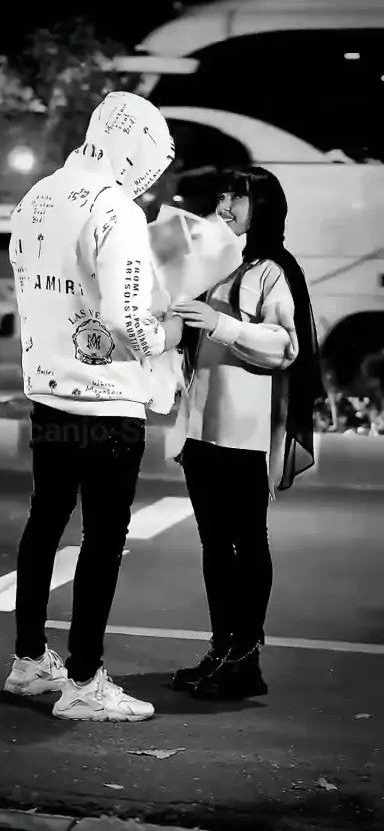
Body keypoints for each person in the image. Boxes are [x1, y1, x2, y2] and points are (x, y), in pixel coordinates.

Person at [3, 92, 183, 722]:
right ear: (134, 149)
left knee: (44, 522)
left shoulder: (38, 198)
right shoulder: (115, 208)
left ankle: (29, 661)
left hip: (49, 395)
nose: (150, 176)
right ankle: (84, 682)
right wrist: (169, 336)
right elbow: (126, 316)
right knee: (103, 540)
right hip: (107, 405)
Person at [169, 166, 323, 700]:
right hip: (200, 429)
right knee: (215, 545)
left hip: (245, 433)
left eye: (238, 196)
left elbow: (285, 345)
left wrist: (221, 324)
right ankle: (222, 649)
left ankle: (245, 658)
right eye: (223, 195)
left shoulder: (272, 270)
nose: (225, 205)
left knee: (246, 542)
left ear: (264, 207)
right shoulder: (215, 265)